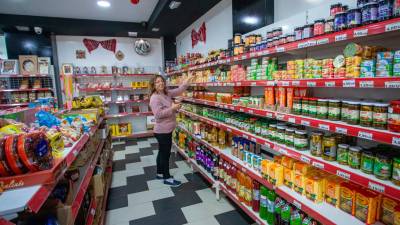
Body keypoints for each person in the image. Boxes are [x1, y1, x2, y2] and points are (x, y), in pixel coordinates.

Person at [149, 74, 192, 186]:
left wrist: (187, 80)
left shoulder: (166, 93)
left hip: (166, 129)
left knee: (161, 152)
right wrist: (172, 108)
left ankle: (159, 173)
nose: (160, 83)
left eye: (162, 81)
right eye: (157, 82)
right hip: (162, 131)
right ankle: (167, 178)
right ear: (153, 85)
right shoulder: (155, 98)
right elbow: (158, 115)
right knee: (165, 154)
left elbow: (178, 90)